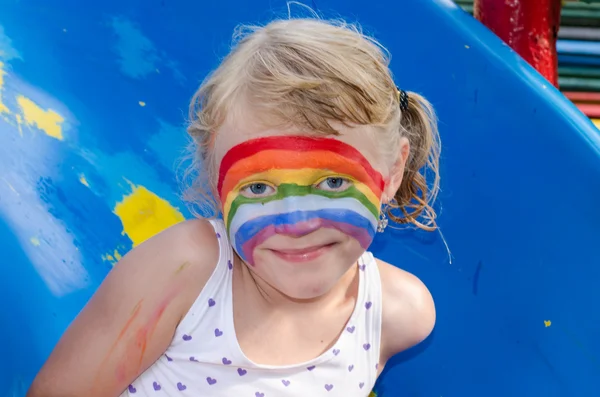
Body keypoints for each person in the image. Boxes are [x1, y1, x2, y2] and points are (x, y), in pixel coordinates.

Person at [27, 14, 440, 397]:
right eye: (258, 187)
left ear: (393, 171)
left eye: (333, 181)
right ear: (217, 186)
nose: (295, 221)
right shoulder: (182, 273)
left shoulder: (397, 313)